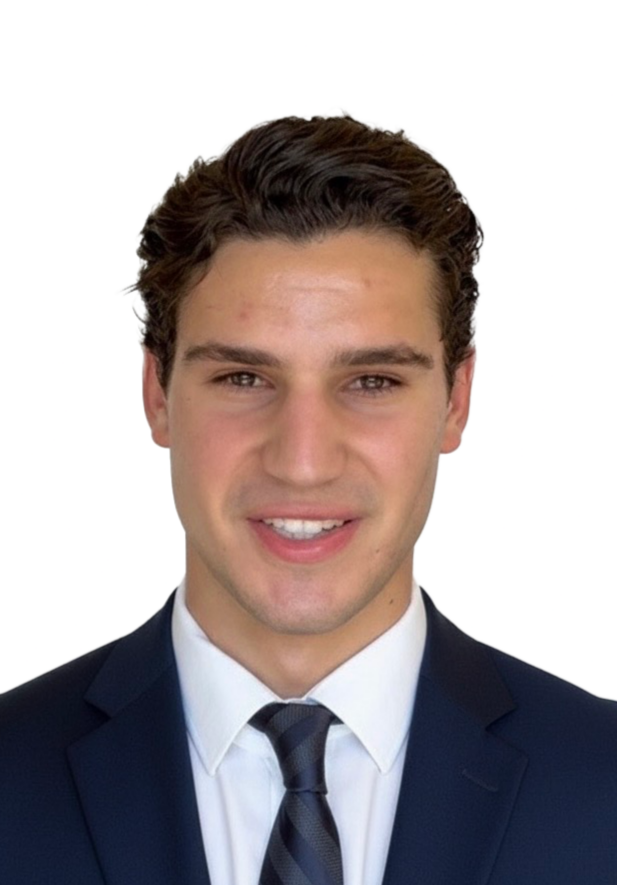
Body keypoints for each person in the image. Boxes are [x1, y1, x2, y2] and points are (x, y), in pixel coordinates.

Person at [1, 115, 615, 885]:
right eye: (243, 379)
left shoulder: (603, 787)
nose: (301, 461)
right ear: (157, 393)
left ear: (456, 400)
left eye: (371, 382)